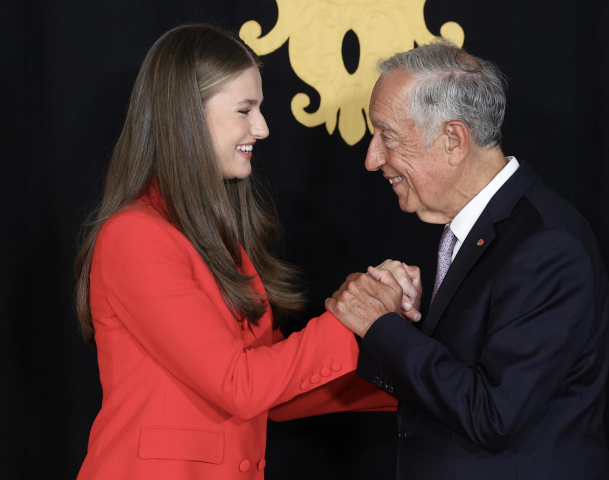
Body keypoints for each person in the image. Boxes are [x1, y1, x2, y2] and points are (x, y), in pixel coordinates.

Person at [74, 24, 398, 480]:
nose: (262, 128)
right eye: (245, 110)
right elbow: (240, 385)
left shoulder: (219, 239)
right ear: (185, 115)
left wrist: (414, 377)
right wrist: (351, 315)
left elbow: (275, 389)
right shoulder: (135, 236)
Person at [326, 40, 609, 479]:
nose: (372, 159)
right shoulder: (478, 228)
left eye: (387, 135)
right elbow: (463, 372)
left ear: (453, 140)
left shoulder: (548, 246)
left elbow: (494, 415)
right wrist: (403, 323)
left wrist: (381, 326)